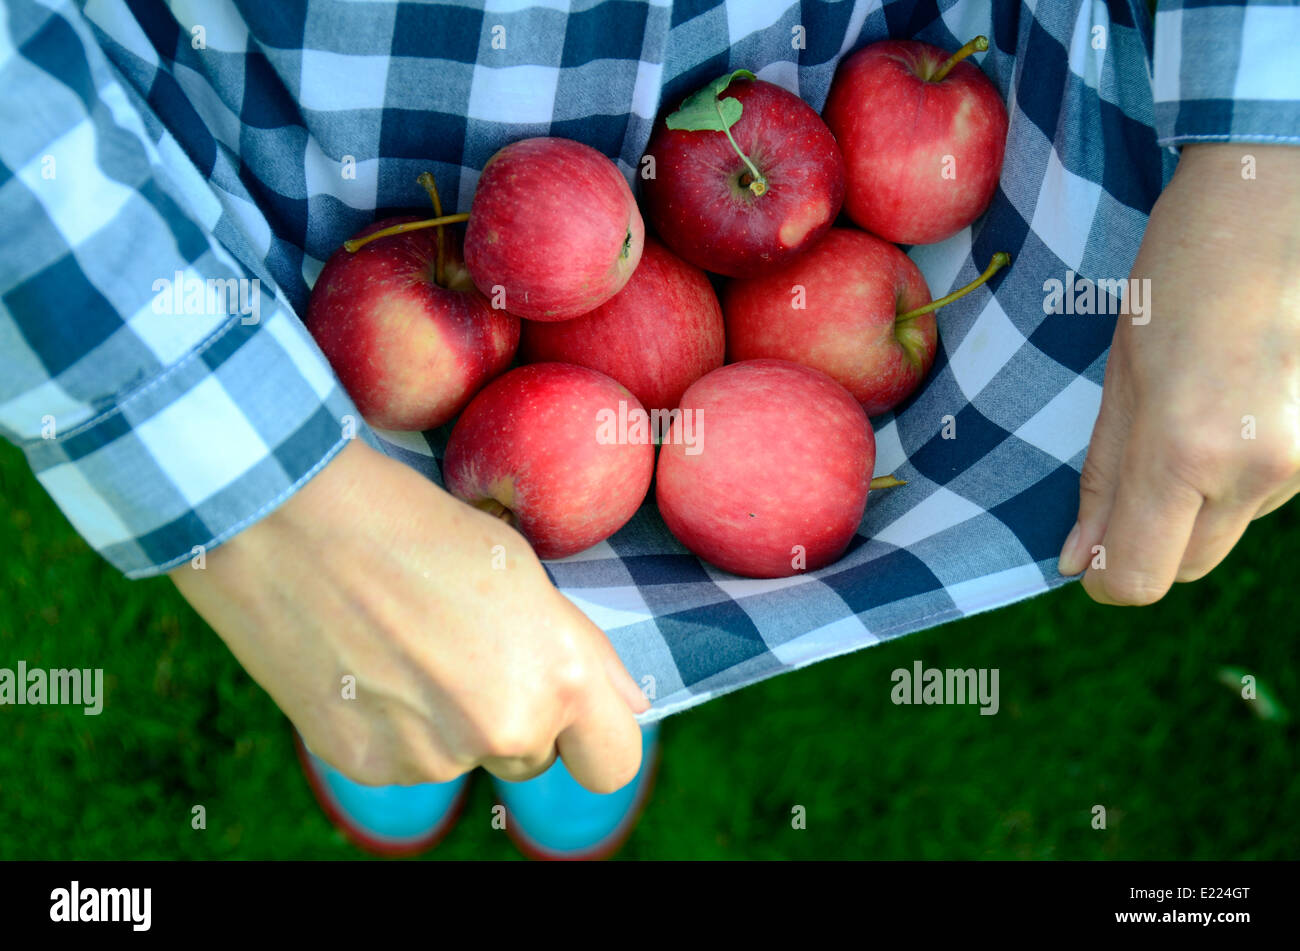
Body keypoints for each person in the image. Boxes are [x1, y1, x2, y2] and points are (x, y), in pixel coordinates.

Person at [1, 0, 1295, 859]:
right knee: (379, 534)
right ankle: (379, 670)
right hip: (313, 189)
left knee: (603, 559)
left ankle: (589, 684)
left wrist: (1266, 141)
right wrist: (271, 512)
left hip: (779, 75)